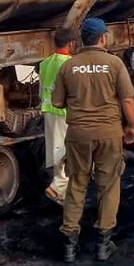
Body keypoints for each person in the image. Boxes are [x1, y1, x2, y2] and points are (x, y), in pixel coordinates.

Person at [52, 18, 134, 262]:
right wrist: (131, 126)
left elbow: (57, 102)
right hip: (109, 133)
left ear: (81, 39)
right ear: (103, 37)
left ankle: (69, 244)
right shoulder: (114, 64)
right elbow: (127, 100)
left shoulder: (68, 66)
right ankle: (103, 244)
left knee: (76, 184)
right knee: (108, 184)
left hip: (78, 134)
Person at [39, 27, 76, 204]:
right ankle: (58, 188)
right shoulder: (70, 64)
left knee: (55, 150)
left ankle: (60, 191)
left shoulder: (45, 62)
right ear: (71, 43)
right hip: (64, 113)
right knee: (68, 151)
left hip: (49, 111)